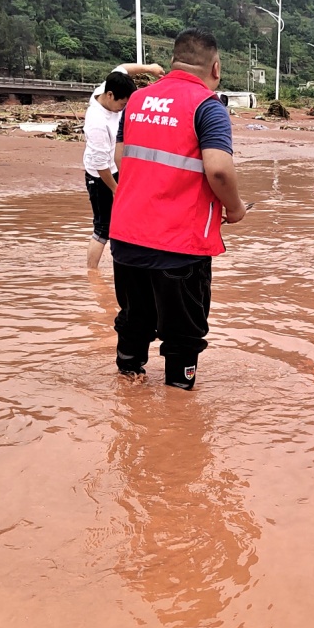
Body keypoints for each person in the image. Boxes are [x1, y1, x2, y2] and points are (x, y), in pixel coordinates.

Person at [108, 29, 246, 390]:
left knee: (134, 318)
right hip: (178, 243)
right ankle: (178, 409)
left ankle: (129, 381)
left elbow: (122, 159)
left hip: (127, 236)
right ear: (215, 67)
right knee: (183, 333)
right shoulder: (207, 107)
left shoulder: (136, 101)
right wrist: (235, 207)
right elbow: (217, 168)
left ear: (172, 61)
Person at [84, 62, 164, 269]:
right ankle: (92, 274)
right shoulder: (96, 123)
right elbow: (100, 164)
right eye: (122, 105)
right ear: (110, 96)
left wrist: (150, 68)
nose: (124, 109)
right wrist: (115, 189)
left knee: (131, 215)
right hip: (100, 176)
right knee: (103, 226)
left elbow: (123, 68)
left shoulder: (110, 85)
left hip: (117, 167)